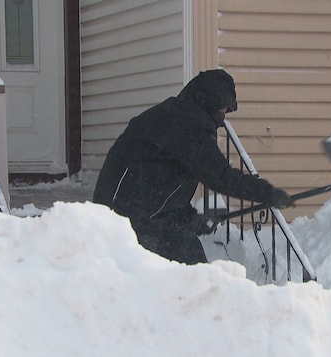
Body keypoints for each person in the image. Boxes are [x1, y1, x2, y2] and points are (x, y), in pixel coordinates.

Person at [93, 69, 292, 264]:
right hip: (125, 213)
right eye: (222, 109)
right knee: (187, 269)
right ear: (209, 102)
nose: (223, 117)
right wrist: (266, 193)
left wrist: (187, 216)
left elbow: (165, 177)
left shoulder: (179, 115)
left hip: (140, 208)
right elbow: (220, 176)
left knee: (191, 263)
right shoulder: (187, 125)